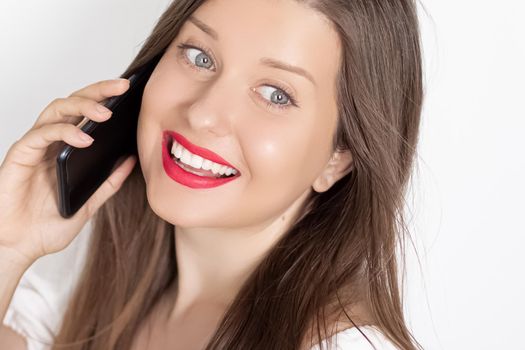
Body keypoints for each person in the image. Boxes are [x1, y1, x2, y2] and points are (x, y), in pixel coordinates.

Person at [0, 0, 424, 348]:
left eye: (276, 94)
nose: (202, 114)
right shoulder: (77, 282)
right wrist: (9, 245)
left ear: (339, 158)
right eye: (199, 56)